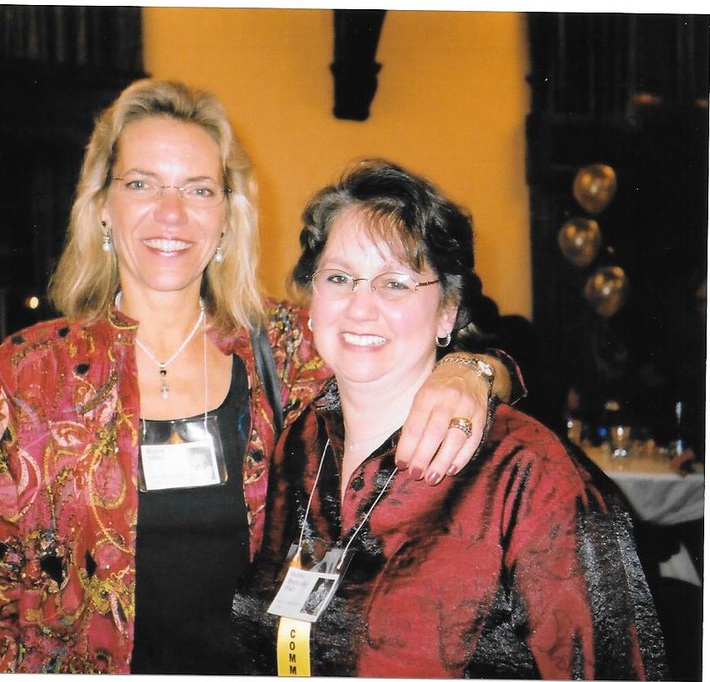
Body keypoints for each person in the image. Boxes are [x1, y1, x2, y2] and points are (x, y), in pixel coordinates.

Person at [0, 80, 524, 674]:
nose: (171, 213)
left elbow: (447, 352)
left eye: (199, 189)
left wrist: (472, 371)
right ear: (102, 203)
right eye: (142, 184)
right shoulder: (33, 369)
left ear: (227, 217)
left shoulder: (288, 345)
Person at [232, 160, 666, 678]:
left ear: (447, 312)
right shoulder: (300, 444)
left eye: (395, 283)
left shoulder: (529, 474)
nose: (360, 307)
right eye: (340, 277)